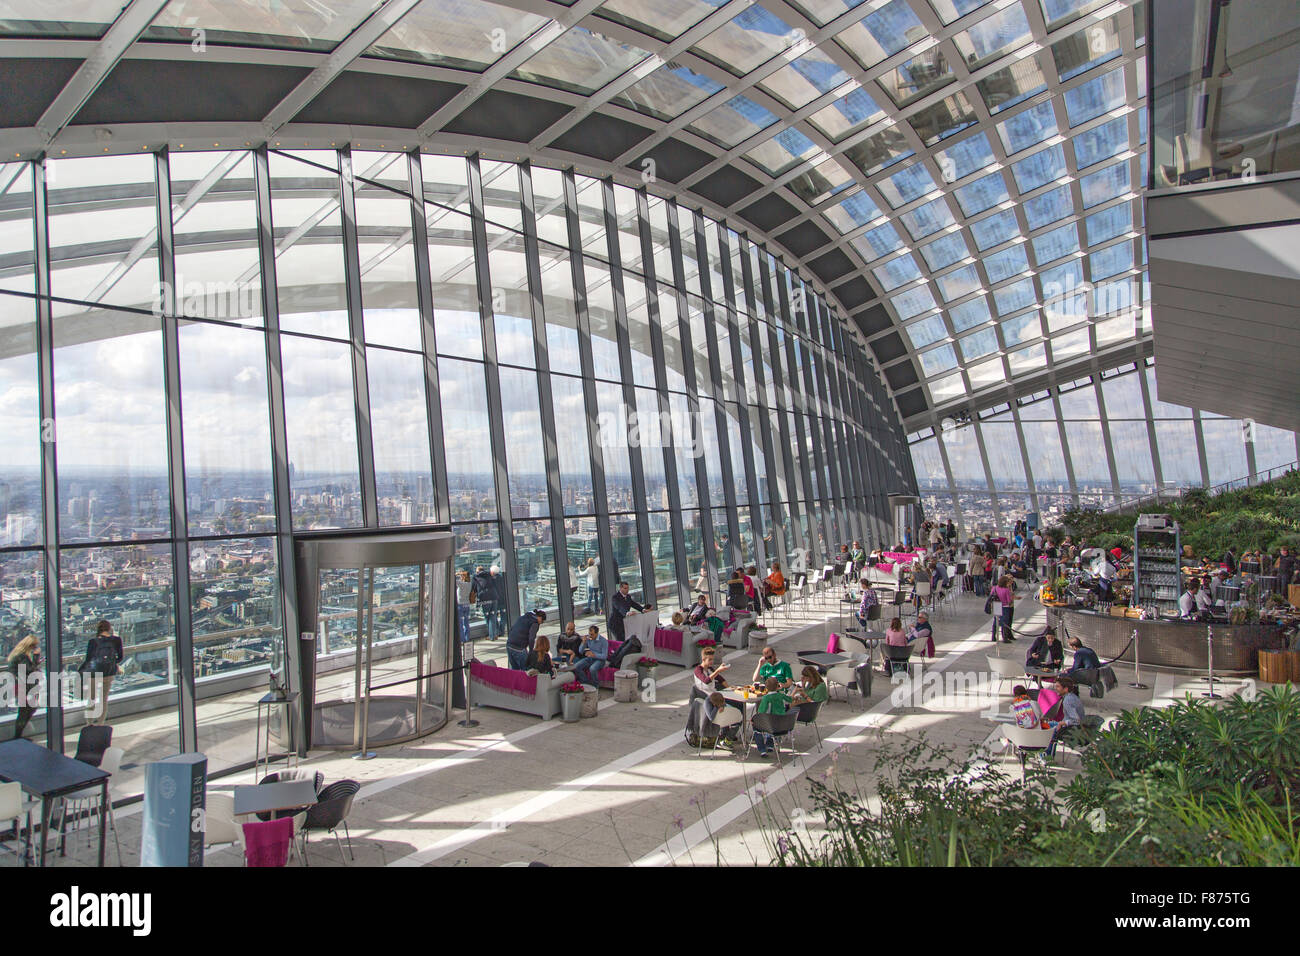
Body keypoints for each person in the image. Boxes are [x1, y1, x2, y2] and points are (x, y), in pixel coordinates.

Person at [81, 619, 123, 726]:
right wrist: (112, 663)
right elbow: (120, 658)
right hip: (108, 674)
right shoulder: (116, 640)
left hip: (94, 674)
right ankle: (101, 725)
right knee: (104, 700)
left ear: (98, 629)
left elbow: (88, 659)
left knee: (91, 699)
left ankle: (89, 724)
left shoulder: (93, 642)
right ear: (109, 628)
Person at [6, 630, 40, 739]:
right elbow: (28, 670)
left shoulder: (18, 655)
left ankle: (18, 735)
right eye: (34, 646)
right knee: (25, 711)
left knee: (25, 710)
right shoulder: (22, 657)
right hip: (24, 687)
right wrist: (36, 658)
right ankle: (17, 736)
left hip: (22, 686)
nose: (35, 648)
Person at [1044, 677, 1085, 757]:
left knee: (1046, 729)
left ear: (1066, 689)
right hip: (1072, 726)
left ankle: (1047, 755)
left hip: (1073, 729)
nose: (1056, 689)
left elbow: (1076, 720)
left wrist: (1061, 723)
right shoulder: (1071, 697)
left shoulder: (1068, 700)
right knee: (1046, 724)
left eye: (1058, 687)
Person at [752, 677, 790, 757]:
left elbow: (760, 712)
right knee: (771, 722)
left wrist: (753, 719)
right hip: (781, 724)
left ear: (766, 687)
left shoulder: (766, 698)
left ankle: (762, 749)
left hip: (770, 724)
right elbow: (790, 700)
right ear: (777, 686)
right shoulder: (781, 695)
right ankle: (770, 745)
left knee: (755, 726)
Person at [990, 574, 1015, 644]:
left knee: (996, 621)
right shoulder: (1006, 590)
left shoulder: (994, 588)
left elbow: (991, 596)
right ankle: (1005, 637)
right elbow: (1009, 600)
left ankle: (993, 636)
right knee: (1005, 622)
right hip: (1005, 607)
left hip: (996, 606)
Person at [455, 570, 473, 643]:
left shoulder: (462, 584)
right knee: (466, 622)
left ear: (463, 577)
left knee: (460, 623)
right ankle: (467, 638)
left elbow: (454, 580)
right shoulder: (469, 584)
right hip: (467, 605)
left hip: (461, 605)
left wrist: (457, 574)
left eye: (461, 576)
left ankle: (462, 639)